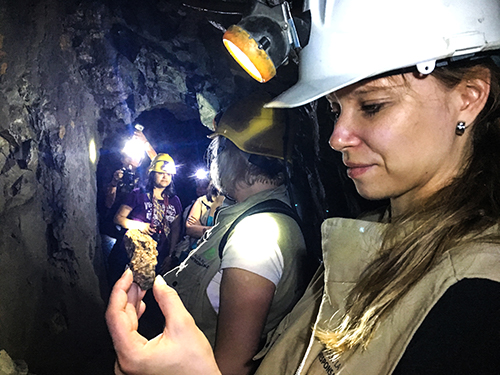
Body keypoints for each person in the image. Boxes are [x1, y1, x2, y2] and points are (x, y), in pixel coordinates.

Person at [105, 0, 500, 374]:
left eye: (372, 106)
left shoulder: (476, 303)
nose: (336, 137)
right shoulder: (372, 241)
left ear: (468, 97)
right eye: (333, 109)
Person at [161, 93, 308, 375]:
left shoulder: (256, 235)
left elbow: (230, 367)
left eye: (219, 148)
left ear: (235, 156)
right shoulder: (246, 215)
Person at [107, 153, 182, 286]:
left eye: (169, 174)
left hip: (157, 257)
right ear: (153, 174)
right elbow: (118, 218)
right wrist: (141, 226)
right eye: (161, 173)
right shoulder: (138, 194)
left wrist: (170, 256)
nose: (165, 177)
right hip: (130, 254)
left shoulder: (174, 201)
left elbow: (175, 229)